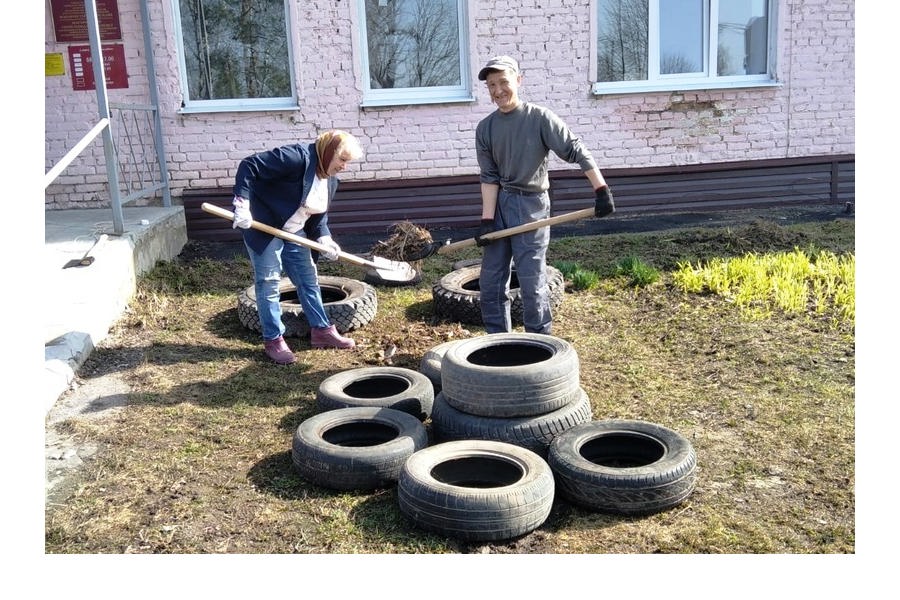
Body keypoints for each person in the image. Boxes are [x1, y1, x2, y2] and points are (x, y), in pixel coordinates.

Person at [474, 55, 615, 335]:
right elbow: (489, 177)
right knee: (491, 280)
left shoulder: (539, 118)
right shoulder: (485, 128)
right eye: (491, 85)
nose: (498, 90)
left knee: (531, 279)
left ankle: (540, 342)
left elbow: (576, 149)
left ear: (518, 80)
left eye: (503, 81)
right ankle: (498, 340)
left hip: (531, 205)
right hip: (501, 204)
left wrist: (601, 189)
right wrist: (487, 220)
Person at [231, 130, 363, 364]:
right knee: (269, 282)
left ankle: (321, 330)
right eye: (342, 160)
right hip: (264, 224)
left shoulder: (331, 179)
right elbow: (249, 165)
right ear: (329, 152)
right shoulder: (295, 158)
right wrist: (242, 203)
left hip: (294, 230)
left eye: (347, 162)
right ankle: (273, 339)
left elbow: (318, 217)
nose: (344, 166)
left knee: (307, 278)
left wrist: (325, 238)